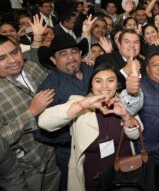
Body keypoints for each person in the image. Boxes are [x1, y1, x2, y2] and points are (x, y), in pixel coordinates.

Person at [38, 63, 142, 191]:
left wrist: (126, 116)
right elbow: (44, 122)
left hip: (124, 173)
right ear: (91, 85)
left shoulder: (124, 101)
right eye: (98, 81)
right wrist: (84, 104)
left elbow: (135, 134)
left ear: (117, 84)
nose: (104, 86)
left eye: (110, 80)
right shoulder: (78, 102)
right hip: (92, 177)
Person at [0, 35, 61, 190]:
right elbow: (2, 139)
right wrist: (31, 112)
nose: (13, 60)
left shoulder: (33, 67)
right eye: (2, 58)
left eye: (14, 52)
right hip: (24, 169)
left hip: (52, 153)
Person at [35, 32, 93, 191]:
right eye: (63, 54)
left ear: (80, 53)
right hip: (70, 153)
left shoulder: (92, 71)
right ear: (53, 60)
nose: (71, 57)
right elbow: (39, 131)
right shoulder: (49, 88)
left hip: (101, 148)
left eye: (74, 51)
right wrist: (73, 136)